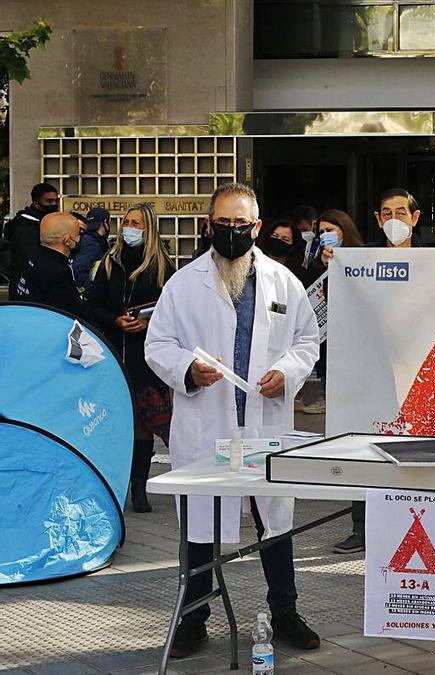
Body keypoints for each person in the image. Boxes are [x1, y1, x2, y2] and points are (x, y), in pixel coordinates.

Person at [145, 182, 321, 658]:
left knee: (275, 523)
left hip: (263, 424)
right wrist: (188, 371)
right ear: (209, 224)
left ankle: (285, 612)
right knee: (201, 525)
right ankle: (193, 618)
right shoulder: (183, 284)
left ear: (257, 227)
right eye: (223, 224)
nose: (232, 232)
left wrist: (287, 372)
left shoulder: (284, 282)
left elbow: (308, 340)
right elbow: (157, 345)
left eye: (241, 225)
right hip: (209, 425)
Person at [330, 189, 421, 554]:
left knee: (417, 448)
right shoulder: (359, 260)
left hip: (420, 366)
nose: (395, 219)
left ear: (415, 218)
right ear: (378, 219)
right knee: (368, 444)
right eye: (387, 213)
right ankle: (362, 526)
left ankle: (415, 520)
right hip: (372, 368)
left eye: (402, 212)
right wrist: (332, 265)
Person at [87, 204, 176, 513]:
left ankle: (139, 488)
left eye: (136, 222)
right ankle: (114, 483)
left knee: (143, 422)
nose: (129, 227)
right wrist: (115, 320)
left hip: (145, 355)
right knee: (112, 420)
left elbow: (174, 311)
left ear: (148, 228)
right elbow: (92, 306)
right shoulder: (109, 263)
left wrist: (149, 322)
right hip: (112, 352)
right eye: (126, 221)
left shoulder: (163, 266)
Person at [297, 209, 362, 418]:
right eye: (322, 231)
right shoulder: (320, 254)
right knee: (325, 354)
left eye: (330, 230)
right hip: (329, 317)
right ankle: (326, 395)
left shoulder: (361, 253)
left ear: (343, 230)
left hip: (354, 319)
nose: (325, 234)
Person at [4, 182, 59, 295]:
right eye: (49, 201)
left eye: (56, 200)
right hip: (28, 288)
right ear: (36, 203)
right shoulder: (25, 228)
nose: (54, 204)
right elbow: (28, 259)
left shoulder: (43, 223)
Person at [72, 208, 112, 289]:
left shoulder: (91, 239)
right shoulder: (92, 242)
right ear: (105, 222)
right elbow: (79, 270)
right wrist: (91, 292)